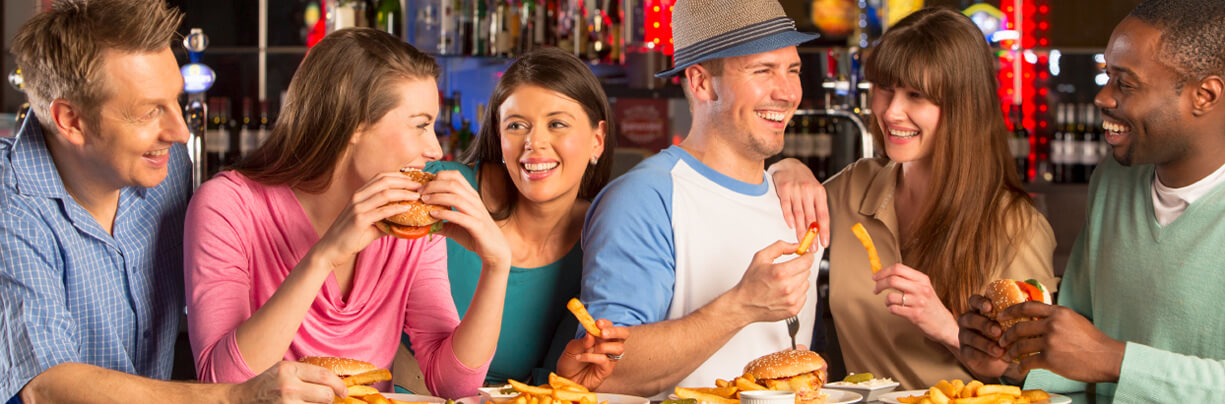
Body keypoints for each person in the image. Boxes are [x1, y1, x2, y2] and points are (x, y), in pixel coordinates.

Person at [0, 1, 349, 403]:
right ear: (70, 121)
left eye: (176, 102)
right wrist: (234, 397)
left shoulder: (164, 168)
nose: (181, 132)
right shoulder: (12, 201)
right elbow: (46, 386)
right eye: (150, 112)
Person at [184, 28, 509, 399]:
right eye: (420, 125)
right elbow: (222, 385)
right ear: (352, 122)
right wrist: (322, 257)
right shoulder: (227, 206)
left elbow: (452, 385)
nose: (435, 148)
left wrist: (497, 264)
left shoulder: (408, 225)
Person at [957, 0, 1225, 400]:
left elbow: (1099, 358)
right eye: (1107, 77)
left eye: (1125, 83)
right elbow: (1080, 346)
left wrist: (1114, 359)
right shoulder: (1112, 179)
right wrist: (1013, 361)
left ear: (1204, 95)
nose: (1102, 97)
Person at [576, 0, 827, 397]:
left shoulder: (797, 197)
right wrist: (742, 305)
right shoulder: (646, 199)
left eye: (792, 69)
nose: (787, 92)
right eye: (762, 70)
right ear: (701, 83)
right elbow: (604, 371)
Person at [820, 8, 1057, 390]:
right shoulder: (853, 187)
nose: (892, 111)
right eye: (885, 89)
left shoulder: (1016, 225)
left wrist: (946, 326)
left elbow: (1033, 378)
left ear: (964, 107)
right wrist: (788, 171)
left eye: (917, 95)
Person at [396, 47, 629, 391]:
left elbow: (556, 381)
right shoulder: (439, 189)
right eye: (517, 125)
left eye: (557, 124)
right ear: (499, 134)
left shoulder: (605, 239)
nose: (535, 143)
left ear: (597, 140)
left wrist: (564, 379)